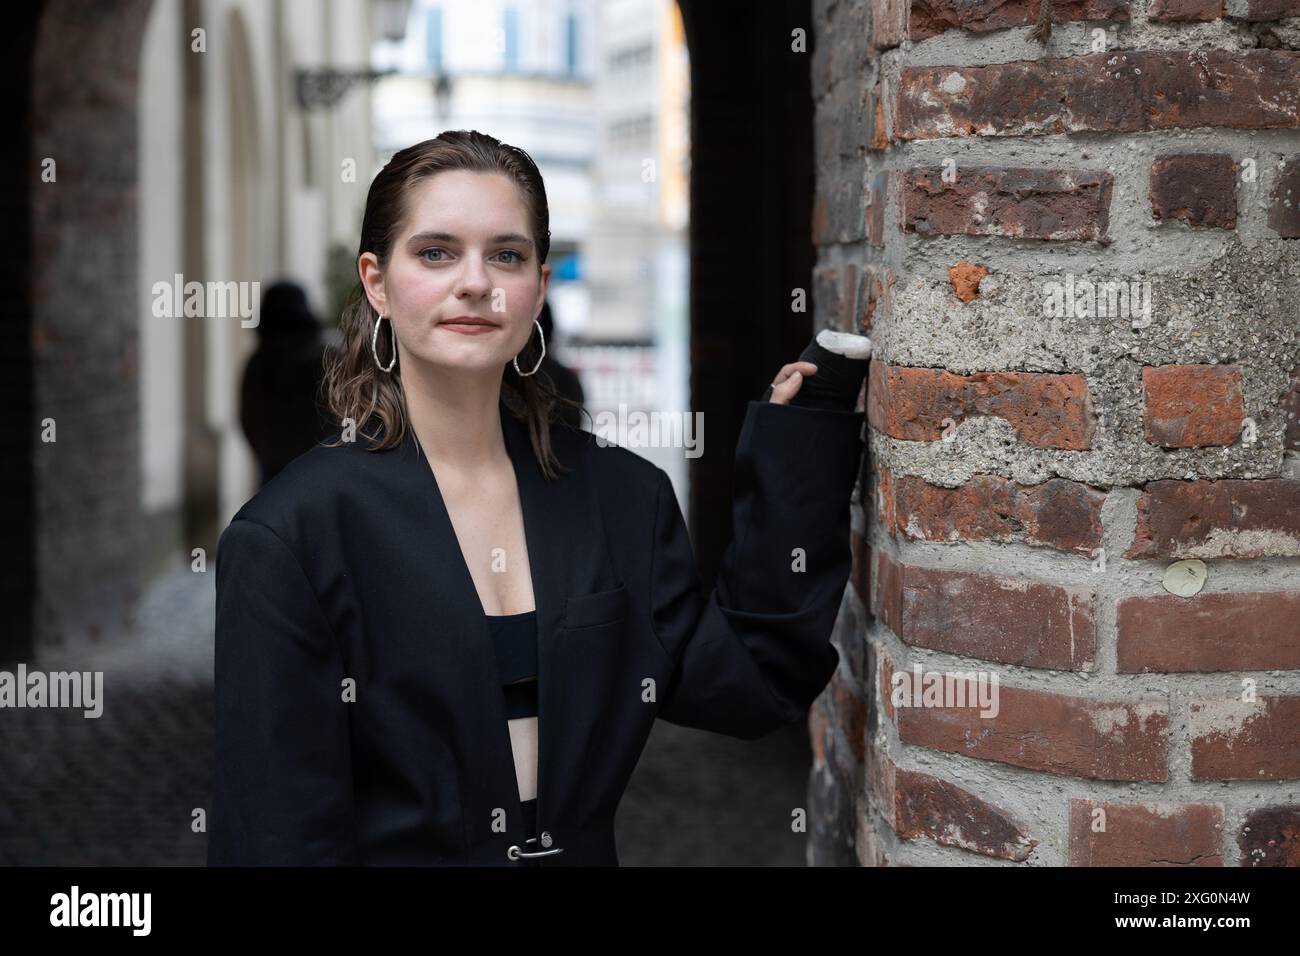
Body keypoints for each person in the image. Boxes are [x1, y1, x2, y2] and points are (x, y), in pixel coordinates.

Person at [208, 129, 871, 866]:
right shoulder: (290, 537)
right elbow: (273, 839)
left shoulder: (623, 499)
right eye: (435, 252)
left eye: (506, 254)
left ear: (539, 287)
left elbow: (749, 680)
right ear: (376, 282)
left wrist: (800, 445)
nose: (475, 281)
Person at [237, 280, 334, 486]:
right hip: (321, 473)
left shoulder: (259, 362)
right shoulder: (326, 357)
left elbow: (248, 419)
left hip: (275, 473)